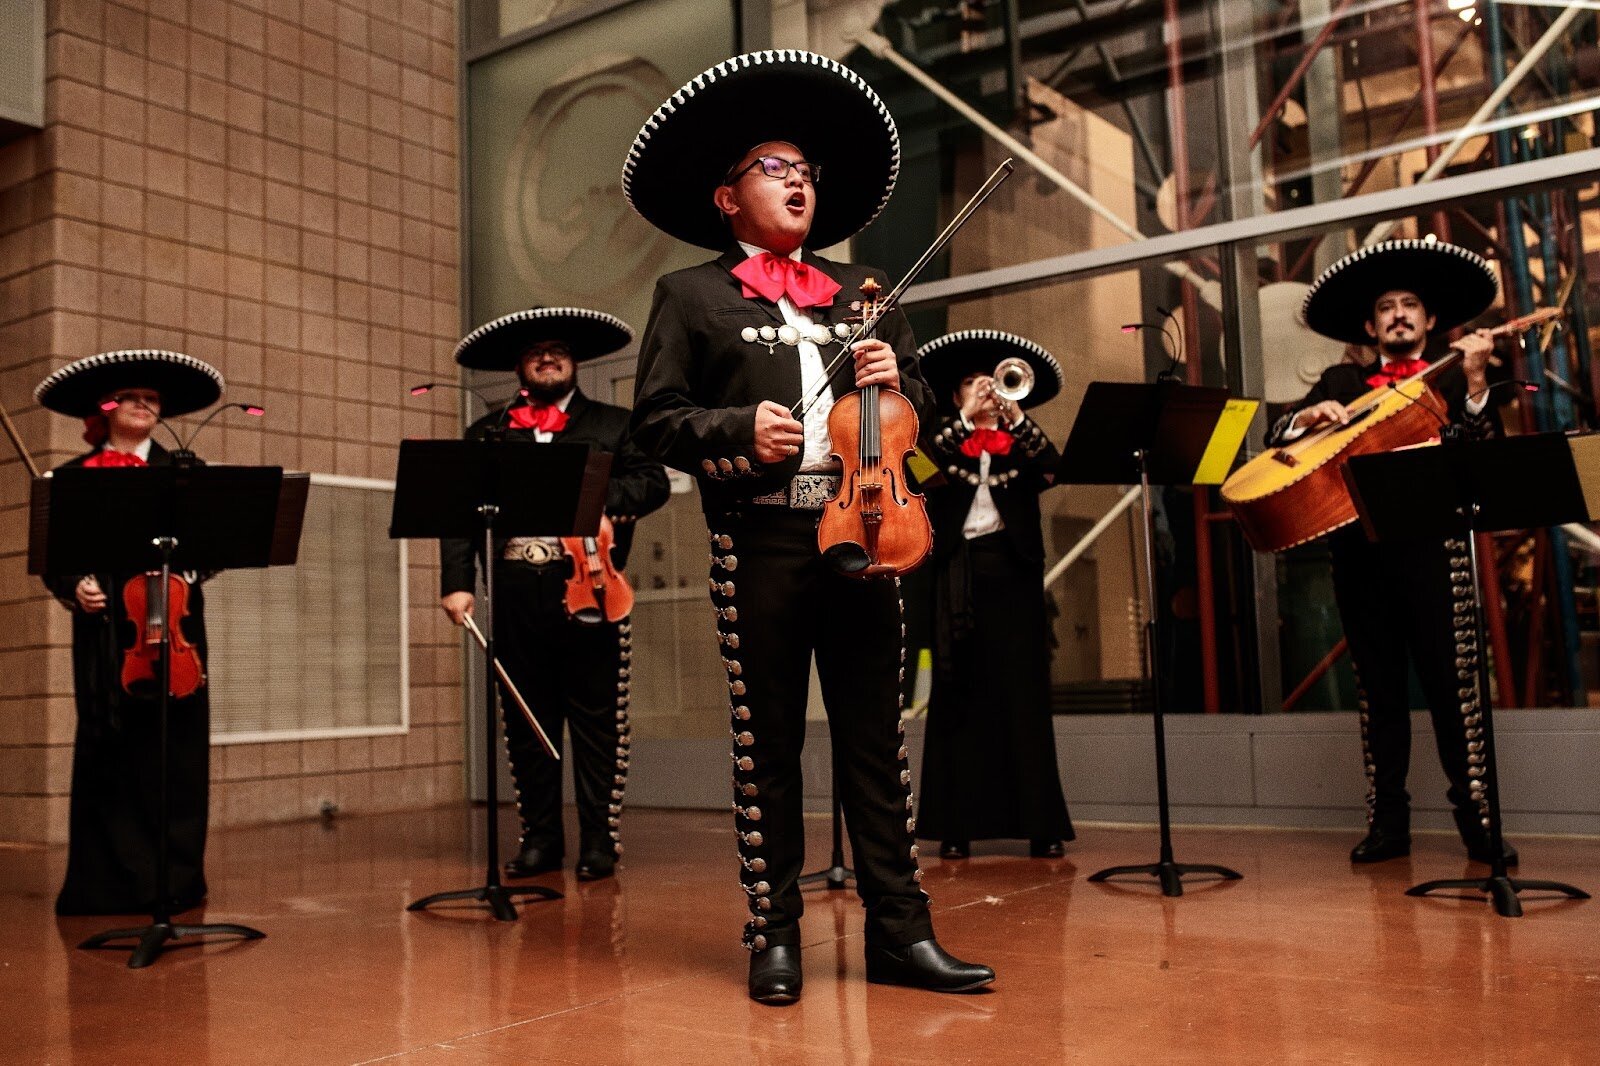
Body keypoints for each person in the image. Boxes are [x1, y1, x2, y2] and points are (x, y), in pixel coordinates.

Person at [623, 49, 993, 1004]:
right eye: (773, 168)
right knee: (768, 746)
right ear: (727, 197)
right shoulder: (691, 296)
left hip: (869, 528)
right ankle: (774, 933)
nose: (797, 181)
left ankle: (901, 934)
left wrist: (899, 380)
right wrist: (735, 431)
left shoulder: (864, 290)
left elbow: (917, 416)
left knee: (877, 744)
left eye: (805, 171)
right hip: (761, 540)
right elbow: (654, 421)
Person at [1272, 237, 1512, 865]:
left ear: (1430, 320)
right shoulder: (1341, 381)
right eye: (1386, 307)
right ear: (1369, 326)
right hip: (1361, 559)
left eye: (1410, 305)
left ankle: (1480, 825)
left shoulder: (1455, 377)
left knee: (1455, 695)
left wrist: (1478, 378)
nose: (1399, 315)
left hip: (1437, 558)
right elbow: (1277, 439)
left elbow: (1483, 454)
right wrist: (1305, 420)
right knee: (1378, 696)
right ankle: (1388, 827)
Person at [439, 308, 669, 882]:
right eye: (536, 351)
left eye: (559, 349)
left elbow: (652, 483)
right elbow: (459, 516)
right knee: (525, 722)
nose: (549, 357)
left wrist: (593, 497)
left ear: (574, 361)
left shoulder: (615, 424)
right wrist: (457, 584)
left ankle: (598, 841)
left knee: (597, 724)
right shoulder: (487, 433)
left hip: (593, 586)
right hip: (516, 590)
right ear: (519, 366)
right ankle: (540, 840)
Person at [34, 349, 226, 915]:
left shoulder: (185, 472)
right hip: (106, 637)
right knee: (109, 750)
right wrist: (74, 585)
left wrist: (191, 568)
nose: (143, 405)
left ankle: (176, 881)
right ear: (107, 408)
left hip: (175, 633)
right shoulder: (73, 477)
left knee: (177, 755)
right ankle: (106, 885)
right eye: (132, 397)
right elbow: (53, 557)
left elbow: (216, 547)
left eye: (152, 399)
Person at [913, 330, 1074, 861]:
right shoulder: (940, 441)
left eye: (992, 380)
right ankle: (955, 826)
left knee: (1024, 695)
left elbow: (1054, 467)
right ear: (955, 395)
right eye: (971, 382)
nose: (984, 389)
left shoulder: (1021, 444)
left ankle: (1041, 825)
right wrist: (964, 422)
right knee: (957, 695)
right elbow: (916, 472)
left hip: (1015, 574)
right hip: (958, 576)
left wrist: (1015, 415)